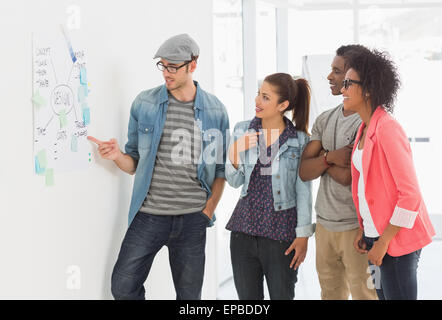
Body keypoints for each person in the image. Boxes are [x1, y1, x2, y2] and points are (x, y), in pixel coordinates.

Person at [88, 34, 230, 300]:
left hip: (192, 219)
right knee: (122, 287)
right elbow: (133, 164)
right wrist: (117, 155)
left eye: (173, 66)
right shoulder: (145, 103)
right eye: (163, 65)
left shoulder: (216, 111)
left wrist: (208, 209)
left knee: (189, 298)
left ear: (193, 64)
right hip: (149, 215)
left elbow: (221, 170)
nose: (167, 72)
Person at [343, 47, 435, 300]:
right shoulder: (364, 129)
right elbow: (368, 188)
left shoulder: (387, 129)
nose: (342, 90)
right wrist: (367, 233)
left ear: (369, 89)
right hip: (375, 238)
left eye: (348, 84)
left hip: (395, 242)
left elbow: (410, 195)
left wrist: (383, 242)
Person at [225, 73, 313, 300]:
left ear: (283, 105)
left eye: (265, 97)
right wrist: (235, 151)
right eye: (258, 94)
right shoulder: (242, 130)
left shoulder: (300, 140)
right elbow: (234, 182)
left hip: (281, 236)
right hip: (243, 232)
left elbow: (303, 190)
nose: (257, 101)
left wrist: (303, 235)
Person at [299, 45, 377, 300]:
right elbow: (304, 170)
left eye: (336, 71)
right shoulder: (324, 119)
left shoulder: (367, 121)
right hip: (324, 226)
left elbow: (348, 176)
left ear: (353, 75)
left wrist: (320, 160)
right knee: (330, 294)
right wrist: (332, 157)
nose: (329, 77)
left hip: (356, 228)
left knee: (365, 294)